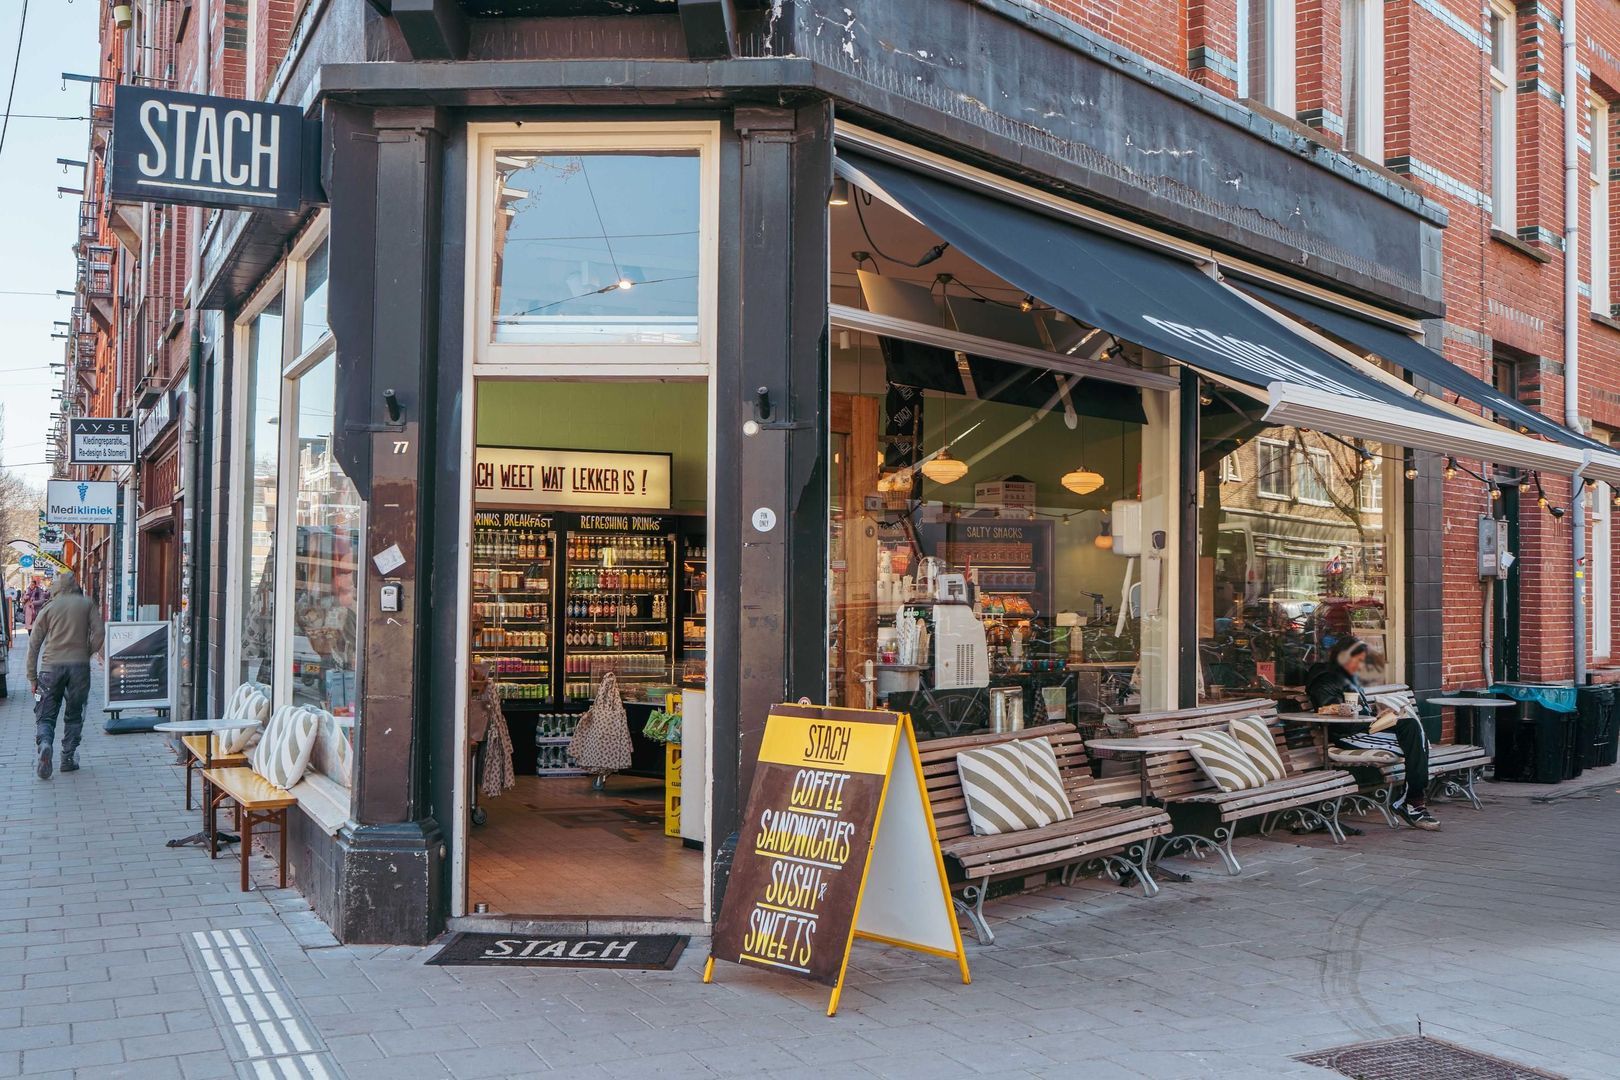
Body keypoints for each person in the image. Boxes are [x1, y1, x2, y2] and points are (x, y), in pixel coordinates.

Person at [1306, 636, 1439, 831]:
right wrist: (1360, 714)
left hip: (1365, 728)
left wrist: (1379, 714)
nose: (1361, 665)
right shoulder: (1325, 679)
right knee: (1415, 742)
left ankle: (1413, 800)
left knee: (1412, 729)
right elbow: (1329, 711)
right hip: (1348, 736)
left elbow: (1357, 710)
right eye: (1358, 660)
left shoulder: (1346, 677)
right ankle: (1413, 802)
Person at [26, 572, 105, 780]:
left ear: (56, 588)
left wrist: (32, 677)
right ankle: (68, 758)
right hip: (78, 668)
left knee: (46, 714)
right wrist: (86, 652)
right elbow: (99, 633)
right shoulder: (86, 604)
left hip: (51, 668)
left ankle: (44, 743)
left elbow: (34, 644)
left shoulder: (49, 608)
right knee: (74, 712)